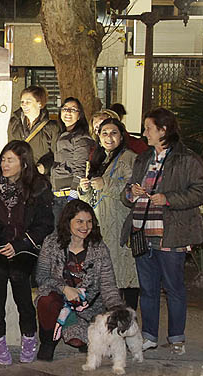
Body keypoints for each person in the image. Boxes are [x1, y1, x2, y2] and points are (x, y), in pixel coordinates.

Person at [121, 107, 203, 356]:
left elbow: (201, 192)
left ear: (163, 129)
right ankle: (149, 336)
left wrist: (168, 199)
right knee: (147, 289)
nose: (144, 132)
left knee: (174, 288)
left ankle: (176, 337)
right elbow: (127, 193)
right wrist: (131, 193)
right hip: (141, 232)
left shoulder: (187, 159)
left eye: (148, 128)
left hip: (172, 234)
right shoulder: (143, 158)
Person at [0, 140, 55, 365]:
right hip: (1, 243)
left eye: (10, 160)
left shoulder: (38, 185)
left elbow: (45, 224)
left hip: (27, 246)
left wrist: (21, 245)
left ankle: (29, 334)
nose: (4, 164)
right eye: (3, 159)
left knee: (18, 276)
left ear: (24, 163)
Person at [34, 199, 123, 361]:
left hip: (87, 306)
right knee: (46, 300)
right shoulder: (51, 243)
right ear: (68, 222)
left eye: (89, 222)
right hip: (59, 299)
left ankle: (83, 335)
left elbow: (108, 285)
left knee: (78, 341)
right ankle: (48, 342)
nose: (85, 227)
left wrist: (117, 310)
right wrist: (64, 288)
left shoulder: (99, 248)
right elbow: (41, 276)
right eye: (80, 221)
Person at [79, 118, 139, 309]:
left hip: (120, 222)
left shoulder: (130, 158)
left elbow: (133, 191)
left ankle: (129, 322)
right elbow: (88, 201)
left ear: (122, 135)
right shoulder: (97, 158)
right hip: (100, 224)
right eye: (104, 133)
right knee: (104, 276)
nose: (109, 137)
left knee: (125, 275)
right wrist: (84, 190)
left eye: (113, 133)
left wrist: (107, 185)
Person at [50, 97, 94, 223]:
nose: (68, 112)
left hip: (68, 195)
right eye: (65, 109)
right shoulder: (62, 133)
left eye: (73, 110)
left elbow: (80, 167)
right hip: (56, 193)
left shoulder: (81, 138)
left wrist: (73, 194)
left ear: (80, 115)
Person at [7, 86, 59, 174]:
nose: (24, 105)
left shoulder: (52, 127)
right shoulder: (14, 123)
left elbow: (57, 154)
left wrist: (44, 167)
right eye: (22, 102)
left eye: (28, 102)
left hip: (41, 178)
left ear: (40, 104)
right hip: (19, 176)